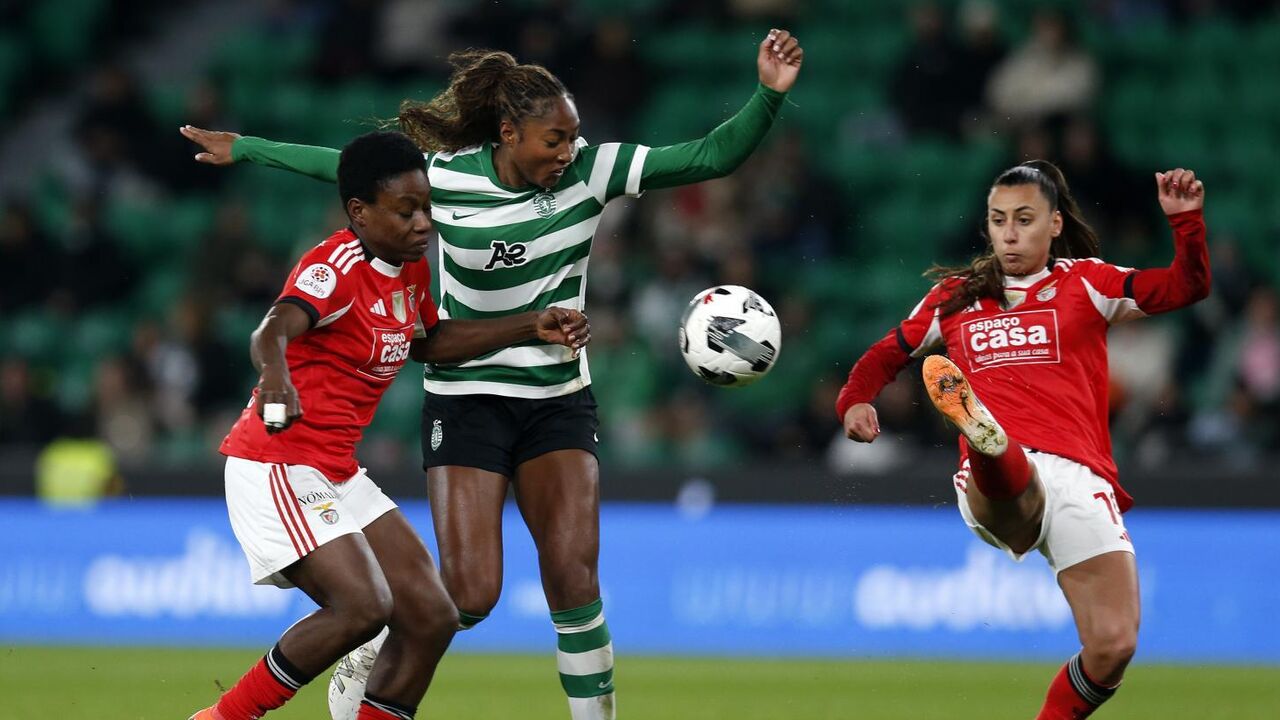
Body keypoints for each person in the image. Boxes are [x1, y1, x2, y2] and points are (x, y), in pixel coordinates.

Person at [181, 28, 803, 720]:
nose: (567, 153)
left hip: (557, 395)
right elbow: (347, 169)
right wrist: (247, 148)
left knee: (574, 578)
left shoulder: (592, 172)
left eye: (573, 138)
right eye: (552, 140)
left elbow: (709, 157)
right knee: (466, 598)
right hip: (466, 395)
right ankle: (373, 640)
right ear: (508, 134)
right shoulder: (442, 183)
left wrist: (767, 97)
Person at [191, 130, 588, 720]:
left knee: (431, 614)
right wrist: (275, 378)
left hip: (336, 472)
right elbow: (271, 329)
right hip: (277, 462)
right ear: (360, 211)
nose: (424, 223)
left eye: (426, 207)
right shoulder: (335, 267)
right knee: (363, 606)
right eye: (406, 211)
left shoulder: (407, 272)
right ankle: (224, 717)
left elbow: (433, 342)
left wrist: (530, 325)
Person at [836, 161, 1208, 719]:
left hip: (1081, 476)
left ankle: (991, 442)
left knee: (1113, 644)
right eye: (998, 220)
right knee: (1016, 483)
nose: (1009, 233)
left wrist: (1186, 224)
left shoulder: (1089, 281)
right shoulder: (954, 297)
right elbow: (887, 352)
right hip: (1004, 480)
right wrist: (854, 399)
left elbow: (1185, 287)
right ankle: (987, 442)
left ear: (1055, 224)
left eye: (1024, 220)